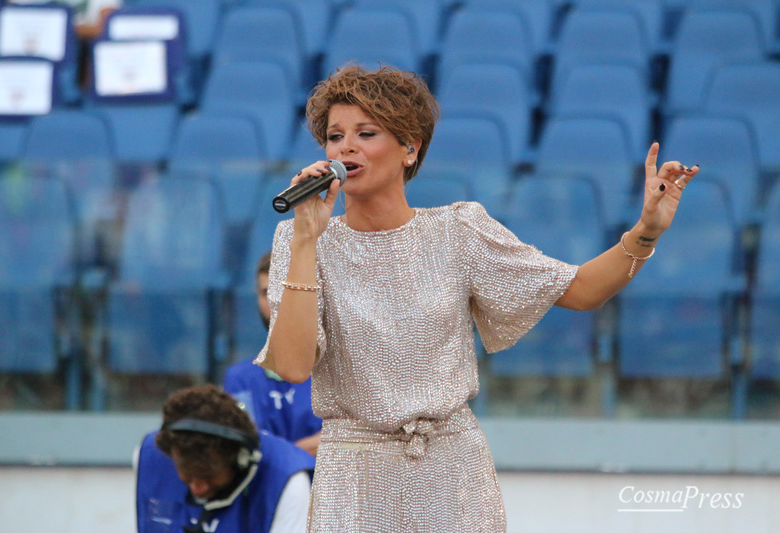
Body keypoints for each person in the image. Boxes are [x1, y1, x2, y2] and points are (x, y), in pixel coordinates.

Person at [256, 64, 699, 531]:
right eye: (334, 136)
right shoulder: (300, 239)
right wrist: (306, 240)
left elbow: (581, 290)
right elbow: (291, 366)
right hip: (353, 475)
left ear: (410, 148)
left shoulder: (458, 230)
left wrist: (646, 230)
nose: (345, 147)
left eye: (366, 133)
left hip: (451, 468)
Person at [135, 384, 315, 533]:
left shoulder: (288, 482)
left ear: (241, 459)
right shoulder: (149, 457)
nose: (198, 488)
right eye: (187, 477)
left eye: (209, 476)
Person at [224, 251, 322, 456]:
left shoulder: (341, 372)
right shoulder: (239, 379)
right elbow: (245, 448)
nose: (274, 302)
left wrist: (281, 456)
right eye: (265, 292)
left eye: (283, 291)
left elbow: (349, 440)